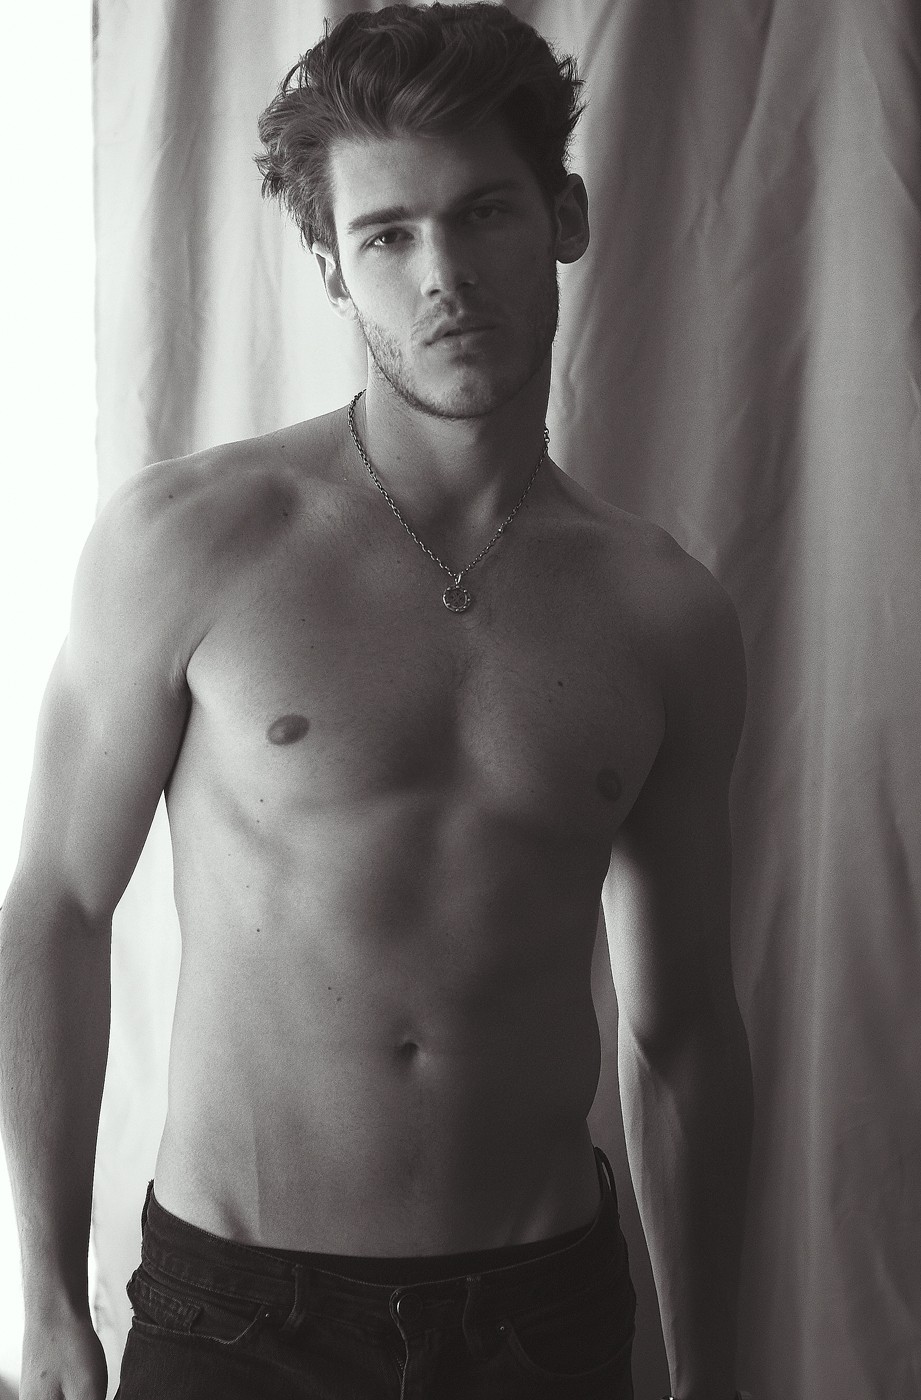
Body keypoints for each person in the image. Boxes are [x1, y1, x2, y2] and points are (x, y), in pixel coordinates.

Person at [0, 4, 754, 1398]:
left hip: (540, 1318)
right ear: (331, 267)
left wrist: (714, 1369)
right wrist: (44, 1298)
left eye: (483, 214)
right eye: (388, 236)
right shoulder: (192, 541)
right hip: (238, 1317)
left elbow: (685, 1026)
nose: (442, 275)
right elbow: (55, 904)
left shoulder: (664, 612)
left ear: (565, 216)